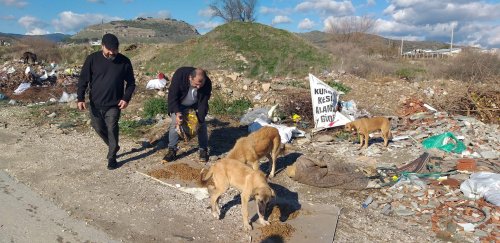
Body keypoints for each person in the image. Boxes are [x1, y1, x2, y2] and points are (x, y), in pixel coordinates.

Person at [77, 33, 136, 170]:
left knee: (112, 128)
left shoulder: (124, 61)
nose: (112, 52)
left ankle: (112, 157)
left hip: (114, 105)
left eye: (114, 50)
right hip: (95, 103)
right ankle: (113, 145)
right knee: (98, 127)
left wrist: (126, 98)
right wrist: (80, 98)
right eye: (109, 49)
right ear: (102, 46)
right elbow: (83, 80)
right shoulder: (92, 59)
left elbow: (131, 83)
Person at [162, 67, 212, 163]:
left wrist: (200, 120)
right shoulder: (180, 75)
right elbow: (172, 96)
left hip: (195, 105)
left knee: (202, 124)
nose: (198, 87)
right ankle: (172, 150)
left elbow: (203, 103)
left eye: (201, 84)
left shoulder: (206, 83)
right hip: (179, 104)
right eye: (196, 84)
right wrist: (177, 112)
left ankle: (203, 150)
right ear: (190, 78)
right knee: (175, 123)